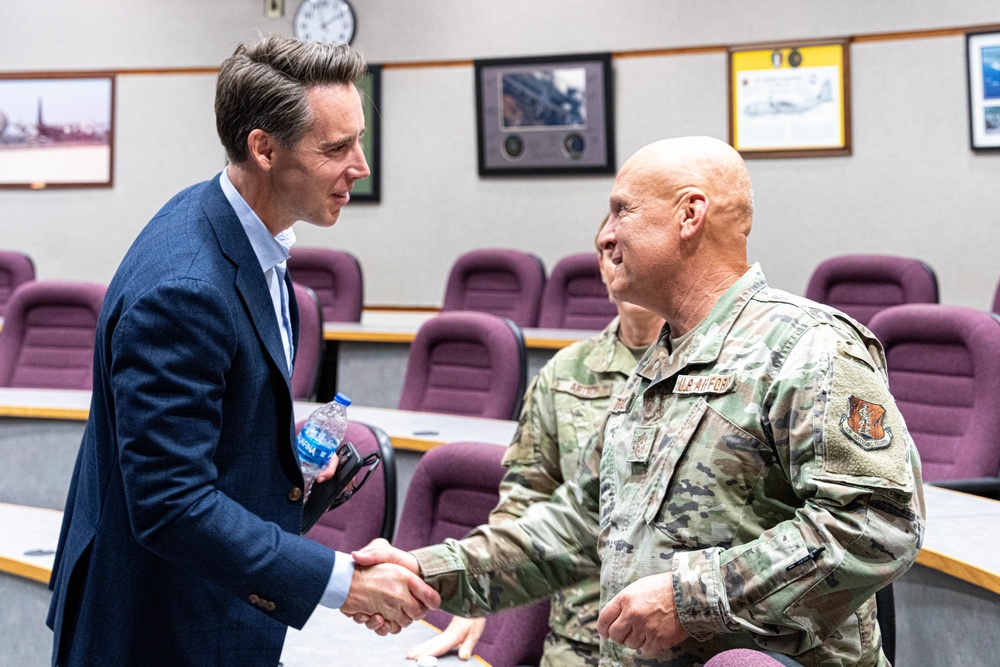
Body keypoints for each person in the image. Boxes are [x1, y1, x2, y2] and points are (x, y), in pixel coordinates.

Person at [353, 136, 924, 666]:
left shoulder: (807, 346)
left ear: (689, 215)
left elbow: (878, 523)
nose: (605, 235)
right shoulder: (656, 369)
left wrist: (689, 597)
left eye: (622, 209)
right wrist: (430, 569)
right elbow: (575, 526)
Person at [46, 35, 438, 667]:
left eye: (358, 139)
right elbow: (172, 505)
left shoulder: (241, 229)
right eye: (337, 148)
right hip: (157, 632)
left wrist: (282, 456)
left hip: (205, 613)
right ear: (264, 148)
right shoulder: (184, 288)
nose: (360, 165)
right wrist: (346, 582)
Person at [406, 223, 665, 666]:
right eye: (606, 250)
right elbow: (526, 497)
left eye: (628, 246)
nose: (616, 258)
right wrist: (479, 598)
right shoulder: (565, 374)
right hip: (578, 640)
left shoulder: (710, 366)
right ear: (601, 270)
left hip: (676, 642)